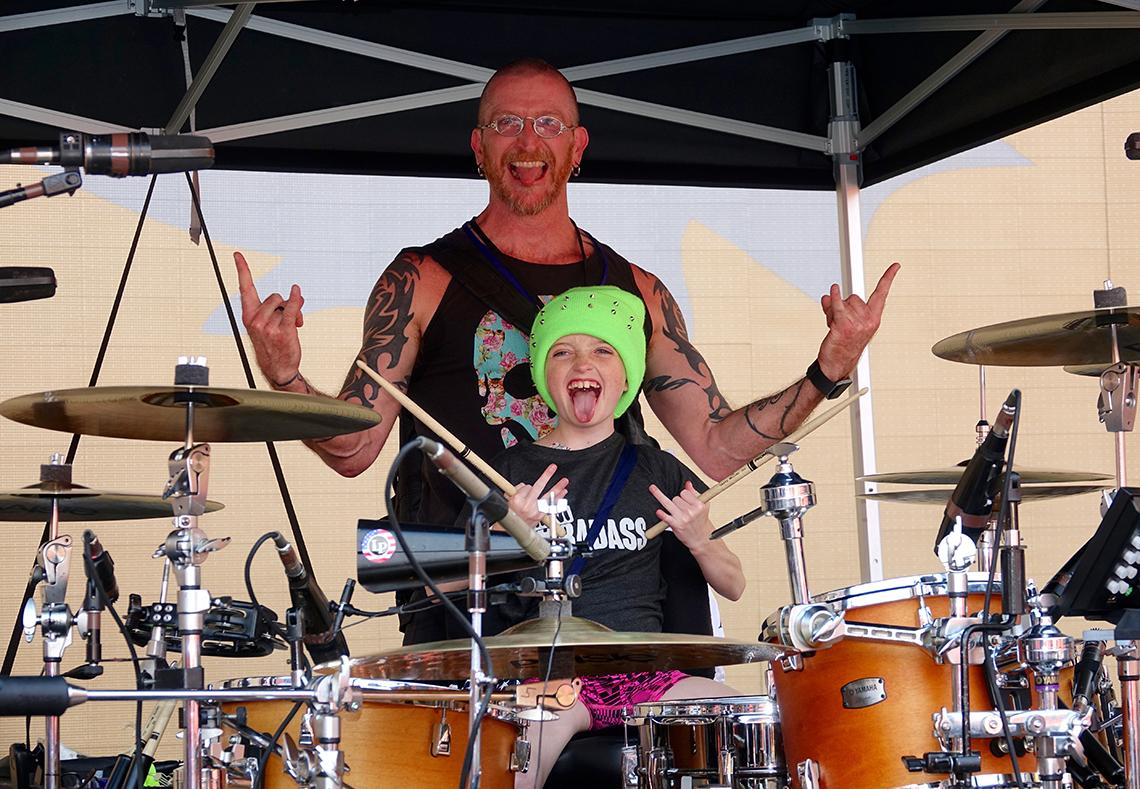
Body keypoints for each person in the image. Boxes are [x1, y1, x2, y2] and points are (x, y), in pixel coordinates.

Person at [233, 57, 899, 642]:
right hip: (467, 610)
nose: (527, 143)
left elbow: (715, 447)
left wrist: (828, 370)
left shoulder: (636, 290)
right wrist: (285, 375)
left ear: (577, 145)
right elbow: (353, 449)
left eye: (549, 124)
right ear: (478, 145)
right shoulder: (423, 279)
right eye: (506, 125)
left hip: (619, 604)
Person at [497, 285, 744, 789]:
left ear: (626, 376)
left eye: (603, 350)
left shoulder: (659, 470)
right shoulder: (507, 473)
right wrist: (510, 537)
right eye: (562, 352)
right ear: (545, 375)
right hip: (547, 678)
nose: (581, 362)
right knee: (512, 768)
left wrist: (699, 538)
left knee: (746, 720)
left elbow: (734, 583)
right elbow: (454, 588)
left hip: (648, 676)